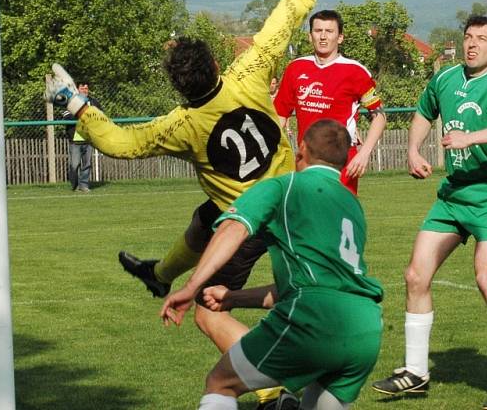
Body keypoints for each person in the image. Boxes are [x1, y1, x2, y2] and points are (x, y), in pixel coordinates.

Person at [45, 0, 360, 410]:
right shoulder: (248, 73)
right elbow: (284, 18)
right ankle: (158, 274)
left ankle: (273, 394)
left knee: (210, 310)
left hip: (251, 222)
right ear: (216, 65)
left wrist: (75, 104)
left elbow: (120, 143)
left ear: (178, 87)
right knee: (204, 217)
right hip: (292, 198)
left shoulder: (180, 126)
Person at [370, 16, 487, 409]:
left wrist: (470, 137)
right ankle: (415, 371)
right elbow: (423, 113)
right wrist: (413, 150)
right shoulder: (445, 79)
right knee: (416, 274)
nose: (473, 44)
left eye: (482, 39)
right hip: (452, 194)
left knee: (486, 277)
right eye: (468, 37)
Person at [160, 119, 384, 410]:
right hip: (365, 327)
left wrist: (191, 287)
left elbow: (233, 228)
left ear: (300, 149)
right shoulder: (351, 203)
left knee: (221, 383)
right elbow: (311, 283)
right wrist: (233, 298)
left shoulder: (284, 186)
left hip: (314, 318)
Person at [273, 9, 387, 194]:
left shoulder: (355, 72)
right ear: (310, 36)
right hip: (306, 159)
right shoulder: (296, 68)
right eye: (318, 31)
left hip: (341, 159)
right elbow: (279, 116)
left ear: (340, 37)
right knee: (304, 217)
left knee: (338, 217)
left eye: (329, 31)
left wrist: (364, 154)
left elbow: (379, 116)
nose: (323, 37)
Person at [63, 80, 101, 192]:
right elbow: (66, 116)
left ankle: (84, 185)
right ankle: (74, 185)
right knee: (74, 165)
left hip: (88, 139)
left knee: (87, 164)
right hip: (75, 140)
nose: (85, 90)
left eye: (86, 89)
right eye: (82, 88)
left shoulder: (93, 102)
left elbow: (101, 115)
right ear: (77, 89)